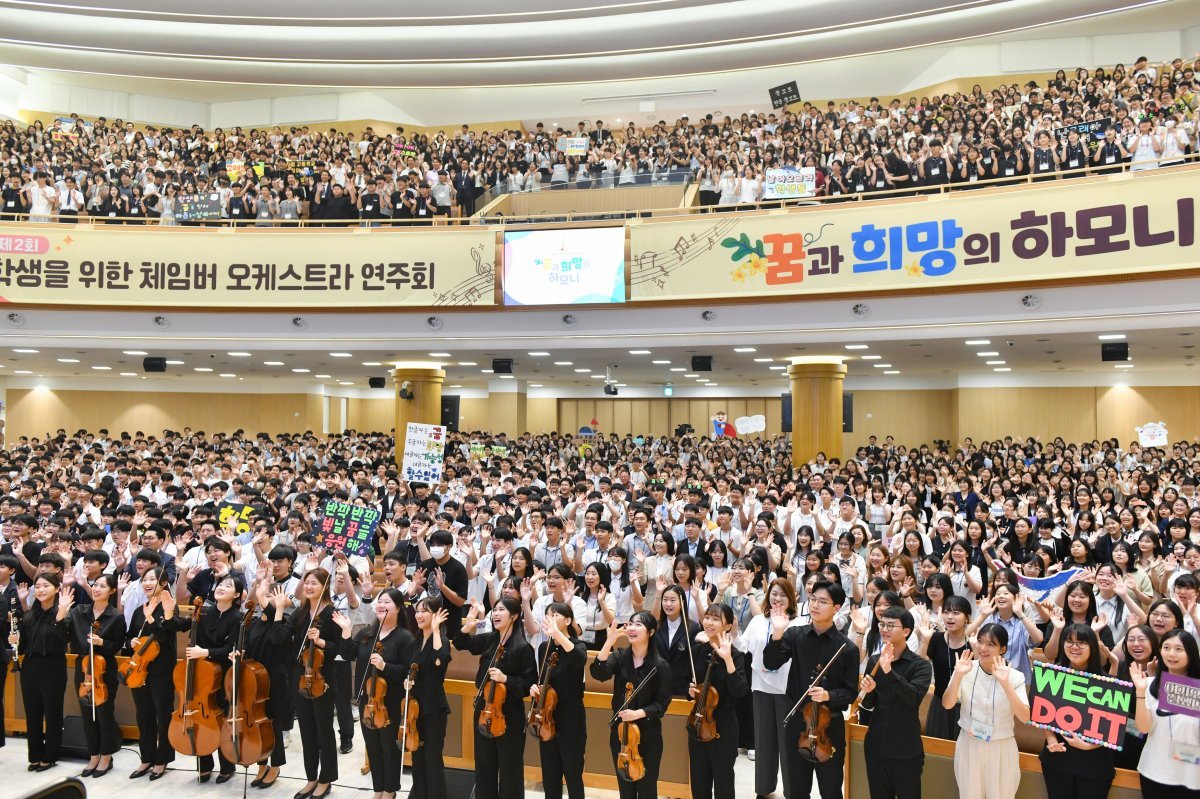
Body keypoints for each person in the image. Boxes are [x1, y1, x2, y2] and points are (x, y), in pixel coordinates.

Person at [763, 580, 858, 799]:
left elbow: (850, 693)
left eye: (823, 601)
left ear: (836, 608)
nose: (815, 605)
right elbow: (771, 663)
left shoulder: (847, 648)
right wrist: (777, 633)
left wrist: (829, 695)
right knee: (796, 788)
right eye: (813, 599)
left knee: (831, 788)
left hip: (829, 725)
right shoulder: (794, 635)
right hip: (797, 721)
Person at [336, 588, 417, 799]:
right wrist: (346, 632)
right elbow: (348, 654)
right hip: (367, 700)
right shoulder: (367, 634)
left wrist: (385, 666)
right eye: (380, 601)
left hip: (389, 701)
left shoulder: (405, 638)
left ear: (399, 608)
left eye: (387, 602)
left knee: (389, 748)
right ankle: (378, 789)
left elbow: (408, 671)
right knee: (372, 747)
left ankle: (390, 791)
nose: (381, 605)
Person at [453, 595, 537, 799]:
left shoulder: (523, 648)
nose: (496, 614)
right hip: (483, 709)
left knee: (510, 770)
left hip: (509, 714)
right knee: (484, 766)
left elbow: (529, 685)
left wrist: (506, 679)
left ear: (514, 616)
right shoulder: (491, 639)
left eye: (501, 610)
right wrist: (469, 623)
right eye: (495, 610)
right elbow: (461, 643)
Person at [590, 611, 675, 799]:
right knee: (625, 789)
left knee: (647, 789)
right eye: (630, 624)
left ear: (651, 632)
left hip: (648, 734)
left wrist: (639, 713)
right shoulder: (620, 656)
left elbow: (662, 704)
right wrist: (608, 643)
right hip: (620, 734)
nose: (631, 628)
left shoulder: (660, 666)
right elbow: (599, 673)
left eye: (638, 625)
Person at [942, 623, 1030, 799]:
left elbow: (1025, 717)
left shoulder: (1015, 676)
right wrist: (958, 675)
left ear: (1002, 649)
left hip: (1001, 746)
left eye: (991, 644)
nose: (983, 648)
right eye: (980, 641)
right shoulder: (965, 667)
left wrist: (1006, 684)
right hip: (969, 742)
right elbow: (947, 704)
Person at [737, 577, 802, 799]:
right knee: (763, 742)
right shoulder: (757, 622)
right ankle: (763, 789)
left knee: (787, 744)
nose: (777, 598)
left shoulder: (799, 624)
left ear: (791, 599)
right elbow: (742, 647)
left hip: (787, 690)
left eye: (783, 595)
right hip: (761, 688)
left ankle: (793, 791)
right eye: (774, 594)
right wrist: (734, 632)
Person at [857, 606, 932, 799]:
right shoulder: (874, 661)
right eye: (882, 624)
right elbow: (867, 706)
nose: (884, 629)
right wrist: (868, 691)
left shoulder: (920, 665)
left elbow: (913, 698)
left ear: (906, 632)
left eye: (891, 626)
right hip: (876, 746)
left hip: (906, 750)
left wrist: (889, 671)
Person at [1039, 624, 1117, 799]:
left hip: (1095, 764)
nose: (1074, 647)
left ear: (1092, 646)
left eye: (1081, 642)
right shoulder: (1052, 674)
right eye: (1069, 641)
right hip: (1058, 759)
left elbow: (1113, 729)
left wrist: (1088, 745)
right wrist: (1051, 739)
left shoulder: (1109, 683)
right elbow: (1043, 715)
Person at [686, 602, 748, 799]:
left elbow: (740, 691)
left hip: (723, 726)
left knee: (723, 782)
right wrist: (690, 690)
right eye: (707, 618)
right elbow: (688, 687)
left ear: (728, 626)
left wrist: (728, 660)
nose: (709, 623)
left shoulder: (736, 656)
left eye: (715, 619)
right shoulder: (698, 651)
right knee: (699, 781)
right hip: (697, 723)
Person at [1129, 629, 1200, 799]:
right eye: (1166, 647)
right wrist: (1140, 690)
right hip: (1153, 771)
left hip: (1191, 774)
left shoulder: (1197, 689)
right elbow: (1143, 728)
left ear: (1191, 653)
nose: (1171, 654)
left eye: (1179, 649)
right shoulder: (1148, 685)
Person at [68, 573, 126, 778]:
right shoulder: (79, 612)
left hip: (104, 670)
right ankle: (93, 754)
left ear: (112, 591)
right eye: (95, 585)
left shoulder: (116, 616)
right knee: (86, 715)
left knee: (104, 714)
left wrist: (103, 643)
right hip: (84, 667)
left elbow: (119, 644)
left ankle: (106, 756)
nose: (97, 588)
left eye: (103, 586)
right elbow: (68, 634)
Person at [290, 568, 341, 799]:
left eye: (314, 583)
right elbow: (286, 639)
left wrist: (320, 641)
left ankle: (326, 779)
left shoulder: (331, 613)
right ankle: (311, 778)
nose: (309, 587)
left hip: (323, 678)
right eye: (306, 582)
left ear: (325, 587)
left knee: (324, 732)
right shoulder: (300, 613)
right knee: (306, 731)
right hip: (300, 677)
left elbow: (338, 648)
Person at [11, 574, 71, 771]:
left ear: (56, 588)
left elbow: (61, 640)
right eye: (37, 587)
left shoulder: (64, 613)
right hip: (30, 666)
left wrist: (60, 614)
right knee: (33, 713)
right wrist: (15, 642)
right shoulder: (29, 615)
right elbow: (23, 646)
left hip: (53, 666)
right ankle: (35, 755)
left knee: (53, 713)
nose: (40, 590)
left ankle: (51, 756)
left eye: (46, 586)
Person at [126, 568, 181, 781]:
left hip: (162, 669)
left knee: (162, 714)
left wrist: (151, 619)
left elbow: (165, 636)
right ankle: (146, 758)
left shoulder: (169, 606)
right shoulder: (140, 609)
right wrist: (130, 642)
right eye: (144, 580)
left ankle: (162, 759)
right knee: (143, 714)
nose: (148, 583)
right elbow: (130, 635)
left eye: (152, 579)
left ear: (164, 583)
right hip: (140, 669)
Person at [529, 601, 588, 799]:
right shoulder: (544, 647)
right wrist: (536, 688)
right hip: (547, 718)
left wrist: (558, 635)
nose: (550, 619)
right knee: (550, 776)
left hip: (571, 718)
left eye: (555, 615)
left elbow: (579, 660)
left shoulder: (577, 645)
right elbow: (543, 678)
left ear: (568, 620)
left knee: (572, 774)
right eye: (548, 615)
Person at [242, 579, 294, 788]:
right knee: (257, 723)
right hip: (256, 680)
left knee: (273, 723)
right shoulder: (254, 622)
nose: (268, 601)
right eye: (268, 596)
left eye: (274, 597)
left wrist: (278, 609)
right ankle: (261, 763)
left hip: (276, 680)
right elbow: (250, 648)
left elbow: (276, 639)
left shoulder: (285, 620)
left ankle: (275, 765)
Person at [407, 596, 451, 799]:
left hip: (434, 709)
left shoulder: (441, 640)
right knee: (417, 757)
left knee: (432, 759)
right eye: (417, 611)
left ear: (435, 615)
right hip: (415, 708)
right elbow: (410, 671)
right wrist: (406, 681)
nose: (419, 615)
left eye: (424, 611)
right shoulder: (415, 642)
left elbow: (438, 662)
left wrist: (434, 630)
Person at [919, 594, 972, 740]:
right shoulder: (935, 638)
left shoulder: (974, 643)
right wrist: (925, 639)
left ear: (967, 618)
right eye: (946, 612)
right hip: (940, 703)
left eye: (956, 613)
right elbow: (919, 665)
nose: (949, 617)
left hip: (968, 707)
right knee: (938, 750)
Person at [653, 584, 702, 697]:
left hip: (682, 688)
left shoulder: (693, 628)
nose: (668, 604)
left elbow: (694, 661)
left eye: (672, 600)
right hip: (658, 686)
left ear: (682, 602)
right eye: (665, 600)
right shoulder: (656, 626)